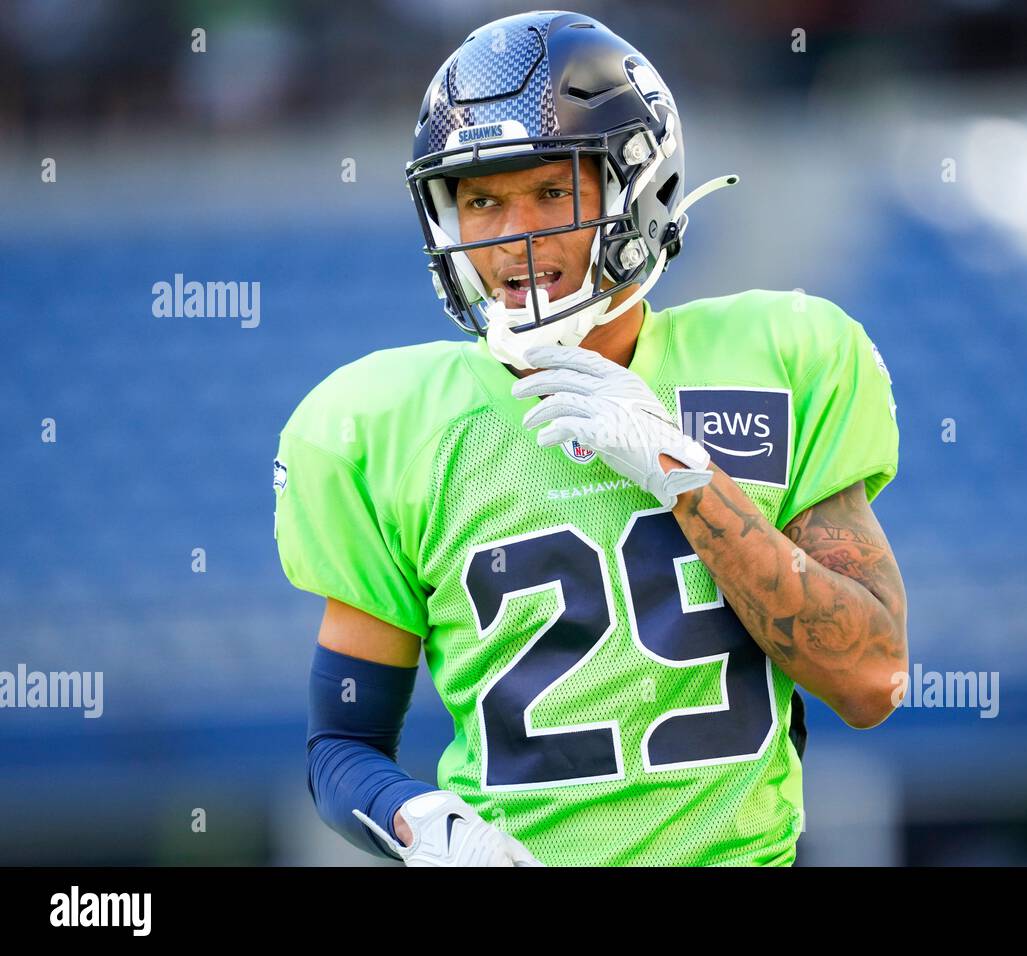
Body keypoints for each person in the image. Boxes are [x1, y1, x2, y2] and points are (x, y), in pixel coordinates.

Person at [273, 9, 906, 867]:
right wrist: (424, 822)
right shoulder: (383, 425)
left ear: (636, 188)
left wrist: (688, 479)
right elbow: (341, 747)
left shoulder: (781, 358)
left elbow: (870, 677)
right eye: (482, 200)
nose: (512, 237)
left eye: (550, 192)